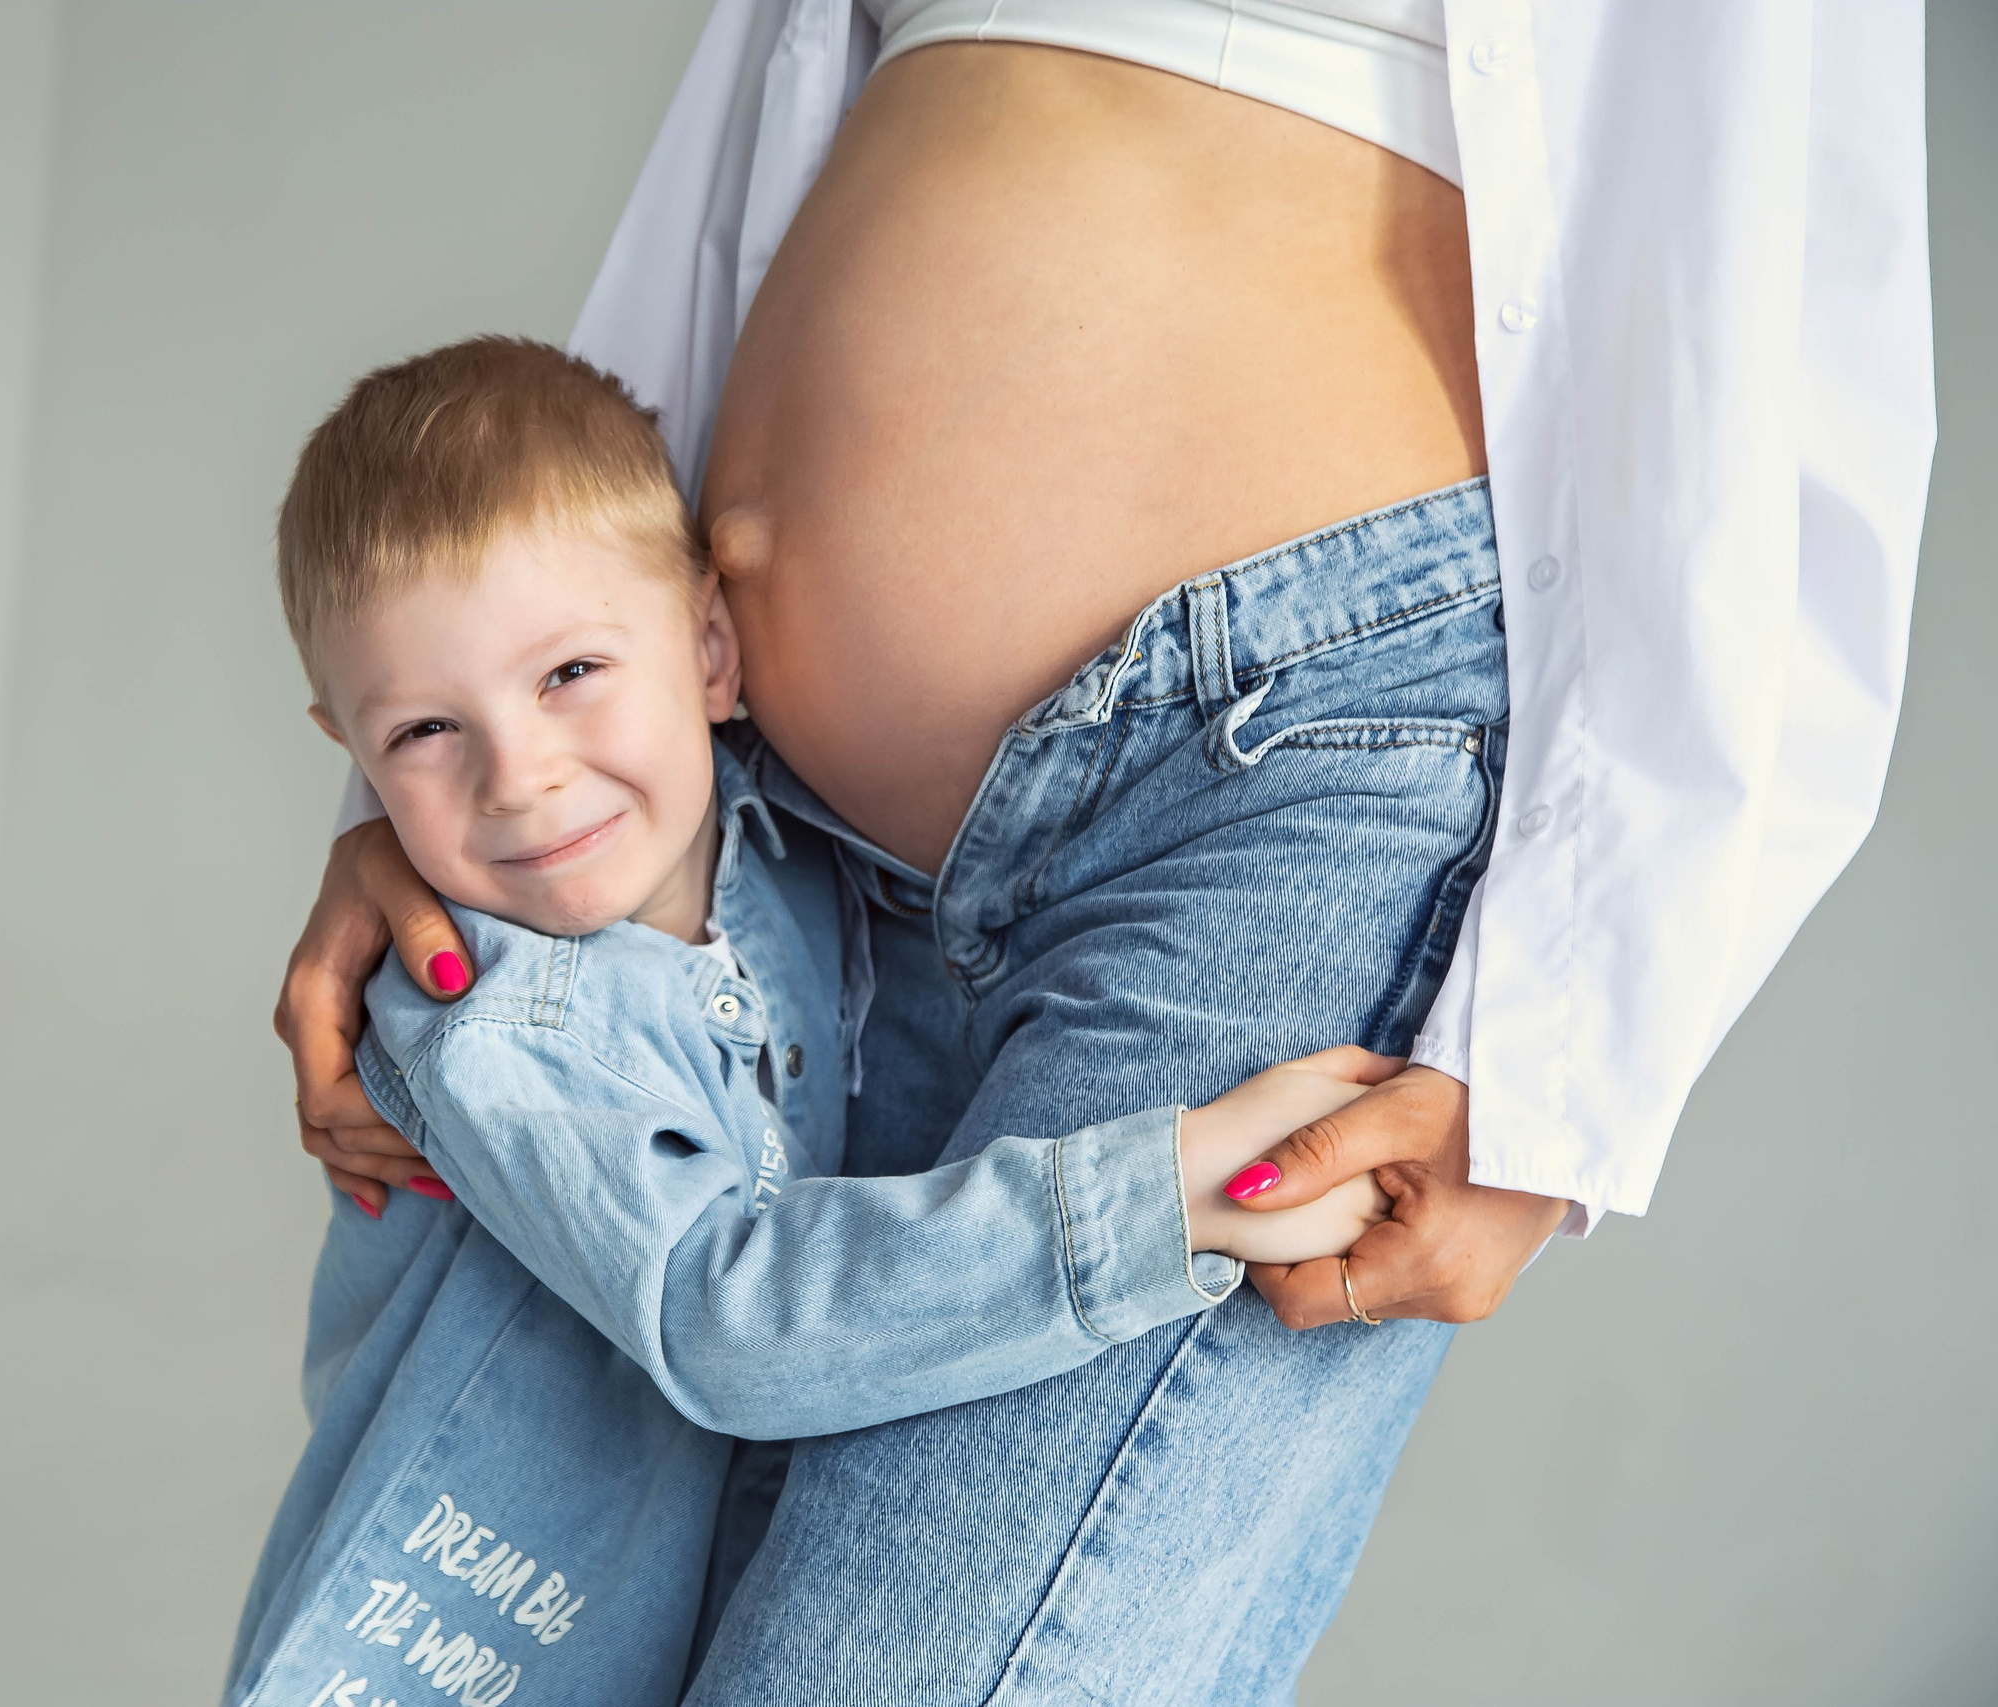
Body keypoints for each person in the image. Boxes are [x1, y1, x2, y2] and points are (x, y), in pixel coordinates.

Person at [279, 5, 1935, 1700]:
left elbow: (1820, 296)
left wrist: (1575, 1078)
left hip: (1293, 769)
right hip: (790, 853)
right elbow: (729, 186)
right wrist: (484, 771)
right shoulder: (536, 828)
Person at [229, 336, 1395, 1707]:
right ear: (353, 755)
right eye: (426, 731)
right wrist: (1155, 1204)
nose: (522, 776)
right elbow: (720, 1311)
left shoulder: (790, 857)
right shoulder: (491, 1028)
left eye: (570, 675)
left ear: (711, 649)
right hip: (484, 1658)